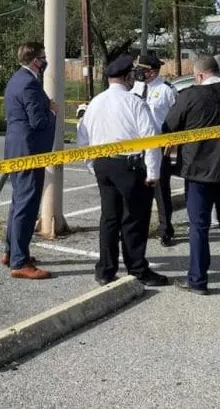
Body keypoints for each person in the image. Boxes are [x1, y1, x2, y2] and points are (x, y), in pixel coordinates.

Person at [76, 54, 169, 287]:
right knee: (134, 219)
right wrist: (153, 173)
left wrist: (92, 165)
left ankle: (105, 270)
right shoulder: (134, 102)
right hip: (129, 166)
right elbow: (150, 140)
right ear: (127, 76)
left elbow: (82, 137)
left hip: (103, 164)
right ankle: (137, 268)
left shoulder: (95, 102)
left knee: (109, 218)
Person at [162, 56, 220, 294]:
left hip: (199, 172)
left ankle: (198, 280)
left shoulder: (190, 96)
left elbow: (168, 125)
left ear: (199, 75)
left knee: (199, 227)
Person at [2, 41, 58, 280]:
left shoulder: (16, 79)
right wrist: (52, 111)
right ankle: (19, 262)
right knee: (26, 205)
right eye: (43, 57)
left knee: (18, 202)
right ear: (36, 60)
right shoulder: (29, 84)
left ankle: (11, 251)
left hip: (16, 148)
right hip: (29, 151)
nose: (45, 61)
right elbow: (38, 121)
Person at [131, 54, 179, 246]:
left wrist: (172, 142)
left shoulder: (167, 90)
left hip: (159, 145)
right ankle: (138, 227)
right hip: (136, 146)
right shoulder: (135, 87)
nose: (137, 73)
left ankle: (165, 229)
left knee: (161, 190)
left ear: (151, 72)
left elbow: (176, 118)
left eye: (141, 70)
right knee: (136, 189)